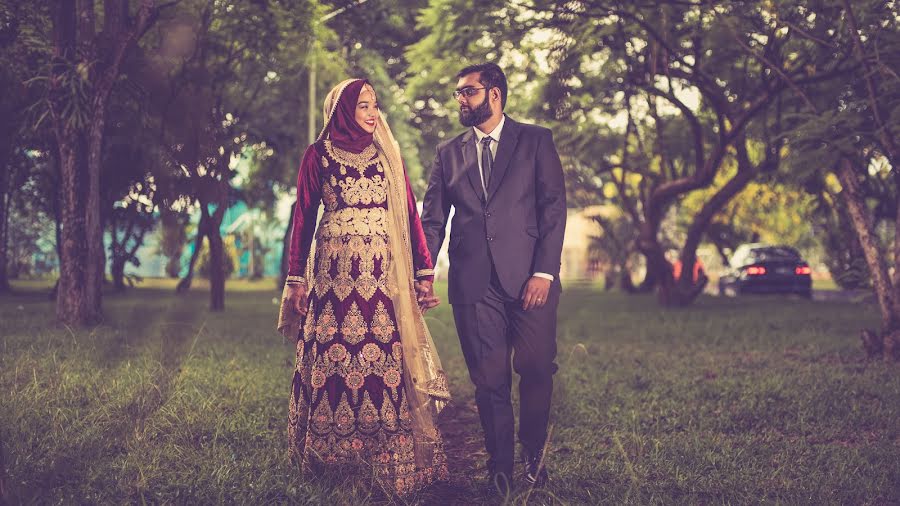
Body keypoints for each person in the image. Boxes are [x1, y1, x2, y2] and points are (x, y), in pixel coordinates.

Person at [277, 79, 450, 496]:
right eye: (363, 107)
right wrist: (296, 279)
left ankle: (388, 458)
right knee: (334, 358)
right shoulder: (317, 156)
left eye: (376, 105)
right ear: (342, 113)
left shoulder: (386, 155)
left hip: (381, 280)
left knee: (383, 361)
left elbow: (409, 211)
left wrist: (424, 274)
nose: (373, 114)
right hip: (333, 279)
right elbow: (302, 217)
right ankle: (328, 459)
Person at [418, 63, 566, 493]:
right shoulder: (448, 152)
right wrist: (424, 272)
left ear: (495, 94)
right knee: (490, 381)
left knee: (537, 368)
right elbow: (432, 220)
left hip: (530, 282)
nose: (461, 100)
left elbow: (553, 208)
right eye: (458, 94)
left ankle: (534, 458)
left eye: (468, 92)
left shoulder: (536, 141)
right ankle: (500, 469)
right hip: (473, 284)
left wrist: (544, 272)